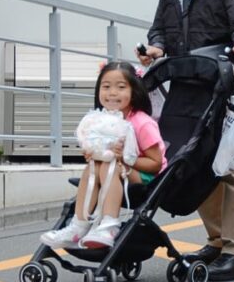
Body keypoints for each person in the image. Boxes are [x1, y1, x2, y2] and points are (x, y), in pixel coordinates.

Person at [136, 0, 234, 282]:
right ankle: (218, 241)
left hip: (224, 82)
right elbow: (160, 28)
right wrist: (156, 49)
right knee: (195, 160)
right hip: (185, 83)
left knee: (230, 167)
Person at [40, 62, 165, 249]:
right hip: (117, 169)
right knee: (92, 166)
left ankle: (109, 225)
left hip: (147, 175)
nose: (112, 93)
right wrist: (93, 152)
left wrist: (124, 158)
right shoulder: (101, 120)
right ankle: (78, 225)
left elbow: (156, 164)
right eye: (106, 87)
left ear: (134, 91)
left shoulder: (142, 123)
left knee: (109, 165)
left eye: (121, 87)